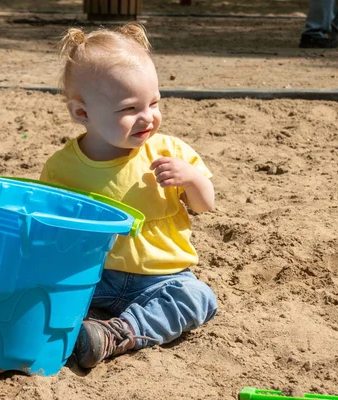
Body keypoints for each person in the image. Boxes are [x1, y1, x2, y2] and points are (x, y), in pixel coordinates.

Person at [39, 22, 218, 369]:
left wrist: (192, 179)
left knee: (198, 297)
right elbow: (52, 228)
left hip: (162, 280)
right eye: (130, 109)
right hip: (94, 276)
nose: (148, 117)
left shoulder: (169, 152)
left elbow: (204, 204)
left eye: (153, 102)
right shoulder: (62, 167)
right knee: (41, 276)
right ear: (82, 113)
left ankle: (117, 333)